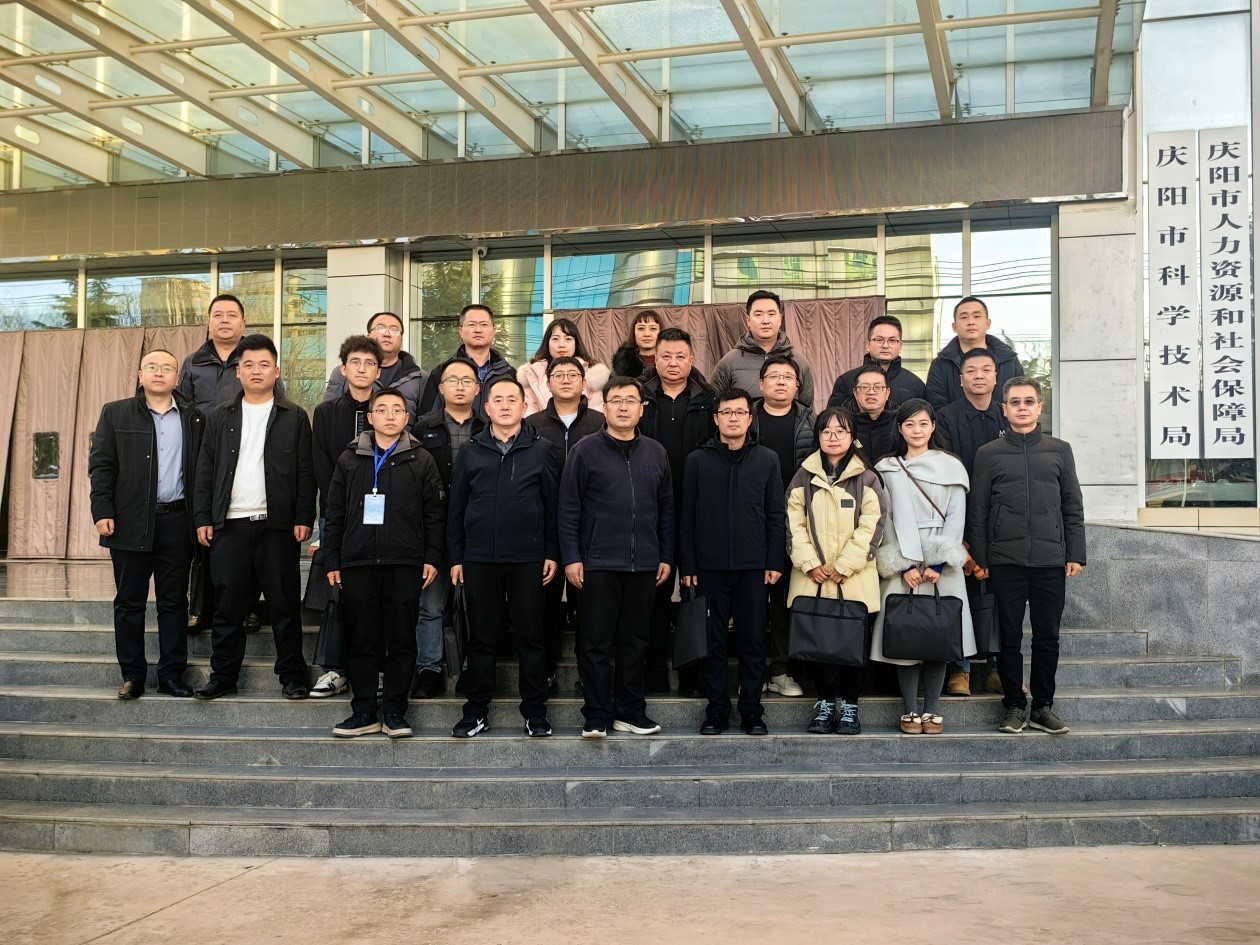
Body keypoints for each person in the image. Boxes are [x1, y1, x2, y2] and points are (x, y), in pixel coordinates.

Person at [192, 334, 315, 701]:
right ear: (238, 371)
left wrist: (304, 515)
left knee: (284, 606)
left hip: (277, 526)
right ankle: (223, 676)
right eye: (248, 365)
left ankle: (292, 676)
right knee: (227, 608)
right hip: (229, 525)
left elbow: (305, 472)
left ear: (276, 371)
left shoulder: (294, 416)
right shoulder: (220, 416)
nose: (256, 371)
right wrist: (203, 516)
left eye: (264, 364)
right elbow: (205, 469)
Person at [967, 377, 1086, 736]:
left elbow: (1072, 504)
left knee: (1047, 636)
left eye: (1029, 401)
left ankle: (1043, 707)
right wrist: (981, 559)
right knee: (1008, 637)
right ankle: (1014, 706)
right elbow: (978, 511)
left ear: (1039, 408)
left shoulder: (1059, 450)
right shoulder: (988, 453)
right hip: (1004, 560)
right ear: (1004, 409)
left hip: (1050, 559)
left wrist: (1075, 552)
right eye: (1015, 402)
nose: (1022, 407)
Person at [323, 387, 444, 738]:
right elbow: (334, 512)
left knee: (402, 638)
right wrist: (333, 559)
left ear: (407, 418)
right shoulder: (350, 459)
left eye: (397, 410)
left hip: (405, 561)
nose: (390, 415)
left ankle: (394, 711)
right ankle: (363, 711)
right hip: (358, 561)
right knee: (362, 639)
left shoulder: (421, 459)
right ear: (370, 418)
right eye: (382, 409)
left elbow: (434, 513)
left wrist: (432, 556)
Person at [447, 377, 562, 738]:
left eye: (513, 399)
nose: (506, 405)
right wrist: (456, 557)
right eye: (498, 400)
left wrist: (552, 552)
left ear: (525, 407)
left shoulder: (543, 449)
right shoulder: (470, 451)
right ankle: (476, 711)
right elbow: (456, 508)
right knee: (481, 639)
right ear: (487, 408)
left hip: (528, 559)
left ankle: (535, 712)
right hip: (479, 558)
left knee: (532, 637)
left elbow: (553, 506)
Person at [560, 376, 673, 739]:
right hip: (596, 563)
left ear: (641, 409)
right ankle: (596, 714)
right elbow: (569, 508)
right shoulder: (584, 451)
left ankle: (631, 711)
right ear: (604, 407)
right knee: (594, 642)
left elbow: (666, 509)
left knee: (635, 641)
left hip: (644, 564)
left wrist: (665, 555)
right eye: (616, 401)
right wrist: (572, 558)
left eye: (631, 401)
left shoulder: (656, 452)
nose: (624, 407)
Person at [89, 349, 205, 700]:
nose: (158, 372)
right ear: (140, 374)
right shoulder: (116, 413)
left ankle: (171, 675)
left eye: (167, 368)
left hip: (177, 521)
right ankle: (133, 676)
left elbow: (203, 471)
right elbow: (102, 465)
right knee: (129, 602)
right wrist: (102, 509)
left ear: (177, 378)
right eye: (151, 367)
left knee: (174, 603)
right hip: (129, 521)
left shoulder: (194, 418)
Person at [679, 389, 785, 736]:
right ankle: (717, 711)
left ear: (750, 419)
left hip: (754, 567)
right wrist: (688, 566)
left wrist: (774, 560)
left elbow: (775, 514)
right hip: (709, 567)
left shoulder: (767, 459)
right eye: (727, 412)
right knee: (714, 642)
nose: (733, 418)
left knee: (753, 640)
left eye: (740, 412)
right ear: (716, 418)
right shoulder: (698, 460)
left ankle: (752, 711)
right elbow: (687, 518)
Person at [870, 399, 975, 735]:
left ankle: (932, 710)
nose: (917, 430)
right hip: (903, 558)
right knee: (905, 637)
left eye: (923, 424)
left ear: (933, 427)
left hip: (941, 564)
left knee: (939, 637)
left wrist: (940, 561)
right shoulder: (886, 468)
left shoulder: (951, 466)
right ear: (900, 429)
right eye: (909, 424)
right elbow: (884, 518)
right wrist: (903, 564)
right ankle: (910, 710)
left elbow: (957, 515)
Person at [177, 293, 281, 632]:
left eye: (232, 314)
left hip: (248, 461)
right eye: (218, 314)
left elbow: (277, 409)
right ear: (208, 321)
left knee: (248, 537)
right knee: (205, 534)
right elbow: (182, 411)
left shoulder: (255, 359)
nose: (224, 320)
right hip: (205, 460)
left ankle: (250, 607)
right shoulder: (193, 363)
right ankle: (201, 606)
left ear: (243, 322)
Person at [785, 408, 886, 735]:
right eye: (826, 431)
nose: (833, 437)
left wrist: (845, 565)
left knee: (852, 646)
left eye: (840, 431)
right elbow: (793, 524)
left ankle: (850, 707)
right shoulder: (803, 476)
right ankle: (825, 705)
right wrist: (809, 562)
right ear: (817, 436)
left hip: (853, 579)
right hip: (812, 578)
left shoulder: (867, 478)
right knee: (818, 647)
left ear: (852, 437)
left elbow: (873, 525)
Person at [638, 327, 716, 695]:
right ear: (655, 359)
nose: (672, 363)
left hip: (698, 509)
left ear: (691, 359)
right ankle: (653, 672)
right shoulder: (640, 396)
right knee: (653, 593)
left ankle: (692, 674)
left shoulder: (709, 400)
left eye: (680, 356)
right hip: (649, 510)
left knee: (696, 594)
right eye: (665, 356)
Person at [309, 334, 383, 698]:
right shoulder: (326, 413)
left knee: (378, 592)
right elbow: (320, 465)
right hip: (338, 515)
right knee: (338, 589)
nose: (362, 369)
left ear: (379, 370)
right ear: (343, 369)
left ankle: (376, 668)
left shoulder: (389, 409)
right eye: (356, 362)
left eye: (370, 363)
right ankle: (335, 669)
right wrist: (337, 509)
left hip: (382, 516)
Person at [935, 347, 1009, 697]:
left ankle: (996, 669)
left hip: (1002, 522)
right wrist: (961, 536)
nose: (979, 376)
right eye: (971, 371)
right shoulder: (946, 417)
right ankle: (959, 669)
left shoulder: (1006, 415)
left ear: (996, 376)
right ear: (960, 378)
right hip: (959, 518)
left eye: (986, 370)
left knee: (998, 596)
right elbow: (948, 473)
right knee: (958, 592)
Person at [408, 357, 483, 699]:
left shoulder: (487, 427)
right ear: (440, 388)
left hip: (476, 526)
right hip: (433, 526)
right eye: (453, 380)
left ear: (478, 388)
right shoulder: (422, 429)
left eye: (467, 381)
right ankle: (429, 669)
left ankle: (470, 668)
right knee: (431, 604)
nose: (460, 386)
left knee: (474, 602)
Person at [530, 356, 605, 692]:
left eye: (572, 374)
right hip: (544, 526)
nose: (565, 379)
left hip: (589, 528)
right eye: (557, 374)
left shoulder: (600, 422)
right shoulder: (531, 424)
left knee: (588, 608)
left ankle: (587, 675)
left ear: (584, 381)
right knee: (543, 607)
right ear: (547, 382)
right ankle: (544, 673)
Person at [751, 355, 815, 698]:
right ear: (761, 384)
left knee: (784, 598)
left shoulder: (810, 421)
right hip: (750, 517)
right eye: (773, 376)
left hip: (796, 520)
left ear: (797, 385)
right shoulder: (746, 417)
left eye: (787, 377)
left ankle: (780, 669)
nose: (780, 382)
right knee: (750, 599)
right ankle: (752, 671)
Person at [711, 289, 815, 407]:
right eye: (758, 314)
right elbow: (716, 408)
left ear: (780, 319)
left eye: (771, 314)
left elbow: (807, 411)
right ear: (748, 320)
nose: (765, 321)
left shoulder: (799, 361)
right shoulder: (728, 363)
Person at [926, 296, 1024, 410]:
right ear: (954, 327)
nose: (971, 322)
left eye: (976, 316)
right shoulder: (941, 365)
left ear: (988, 323)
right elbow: (937, 409)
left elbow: (1020, 404)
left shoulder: (1009, 361)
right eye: (964, 317)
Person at [322, 312, 425, 419]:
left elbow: (425, 421)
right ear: (369, 336)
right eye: (380, 328)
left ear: (401, 339)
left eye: (394, 330)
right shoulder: (344, 372)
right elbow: (329, 415)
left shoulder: (419, 378)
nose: (387, 334)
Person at [418, 303, 515, 415]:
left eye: (484, 324)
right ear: (460, 331)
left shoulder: (509, 373)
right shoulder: (442, 373)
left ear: (494, 331)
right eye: (471, 324)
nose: (478, 330)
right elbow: (427, 418)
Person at [828, 315, 927, 407]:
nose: (885, 345)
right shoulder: (847, 381)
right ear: (868, 345)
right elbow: (833, 418)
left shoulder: (915, 384)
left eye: (892, 340)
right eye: (879, 340)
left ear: (900, 346)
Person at [518, 317, 610, 414]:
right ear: (547, 343)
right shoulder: (532, 375)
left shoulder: (593, 377)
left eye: (568, 339)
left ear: (576, 344)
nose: (561, 345)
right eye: (555, 339)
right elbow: (529, 416)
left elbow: (596, 416)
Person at [842, 366, 899, 462]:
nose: (871, 392)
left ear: (887, 393)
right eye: (864, 387)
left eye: (878, 387)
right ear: (855, 393)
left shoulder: (900, 421)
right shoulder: (842, 422)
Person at [612, 309, 664, 379]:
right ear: (633, 333)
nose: (647, 334)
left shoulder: (671, 363)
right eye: (641, 328)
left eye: (653, 328)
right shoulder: (622, 367)